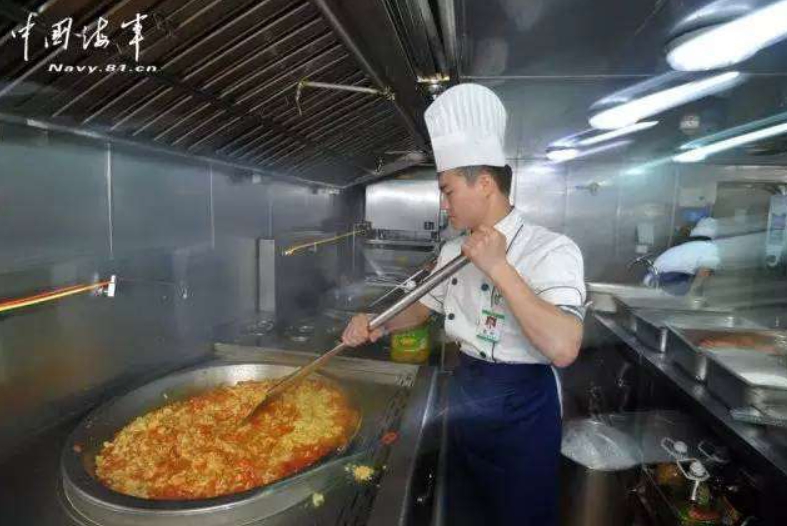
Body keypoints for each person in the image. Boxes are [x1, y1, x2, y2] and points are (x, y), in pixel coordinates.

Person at [342, 83, 586, 525]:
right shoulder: (454, 250)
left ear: (485, 183)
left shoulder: (551, 249)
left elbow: (564, 347)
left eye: (448, 190)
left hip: (522, 409)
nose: (443, 203)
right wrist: (379, 322)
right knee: (463, 512)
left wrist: (499, 267)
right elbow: (422, 307)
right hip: (467, 393)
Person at [644, 217, 720, 295]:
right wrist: (693, 296)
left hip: (650, 281)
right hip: (672, 282)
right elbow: (704, 272)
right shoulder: (711, 248)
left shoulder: (681, 247)